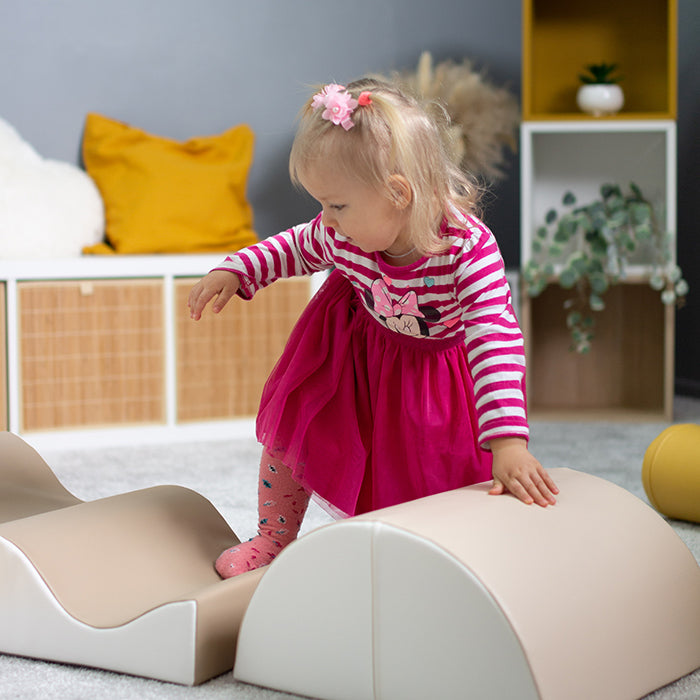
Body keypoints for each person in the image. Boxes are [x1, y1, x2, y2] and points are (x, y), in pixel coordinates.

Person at [188, 79, 558, 579]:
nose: (327, 221)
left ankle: (429, 558)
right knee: (295, 432)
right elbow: (297, 245)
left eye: (337, 206)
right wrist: (238, 269)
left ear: (398, 194)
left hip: (433, 375)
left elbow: (494, 335)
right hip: (352, 352)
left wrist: (509, 441)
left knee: (426, 476)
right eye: (322, 204)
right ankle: (273, 540)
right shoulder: (341, 233)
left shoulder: (466, 249)